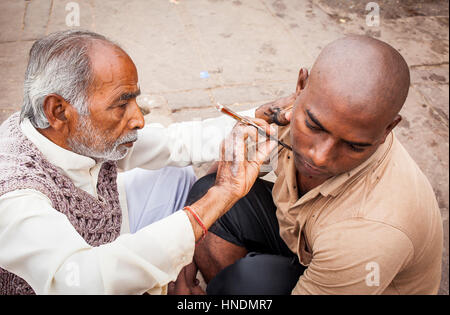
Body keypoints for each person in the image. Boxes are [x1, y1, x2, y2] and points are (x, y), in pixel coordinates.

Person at [0, 30, 277, 294]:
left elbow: (172, 143)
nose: (139, 119)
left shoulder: (74, 133)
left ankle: (173, 276)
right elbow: (79, 282)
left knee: (174, 174)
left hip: (103, 237)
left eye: (135, 101)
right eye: (121, 105)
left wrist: (254, 118)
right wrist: (216, 199)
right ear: (58, 110)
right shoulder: (15, 192)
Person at [176, 35, 444, 295]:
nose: (320, 157)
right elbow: (227, 169)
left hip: (351, 271)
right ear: (301, 87)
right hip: (305, 243)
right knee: (209, 193)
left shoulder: (371, 234)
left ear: (388, 128)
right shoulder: (296, 110)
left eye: (354, 146)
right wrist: (184, 255)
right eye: (314, 127)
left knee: (244, 285)